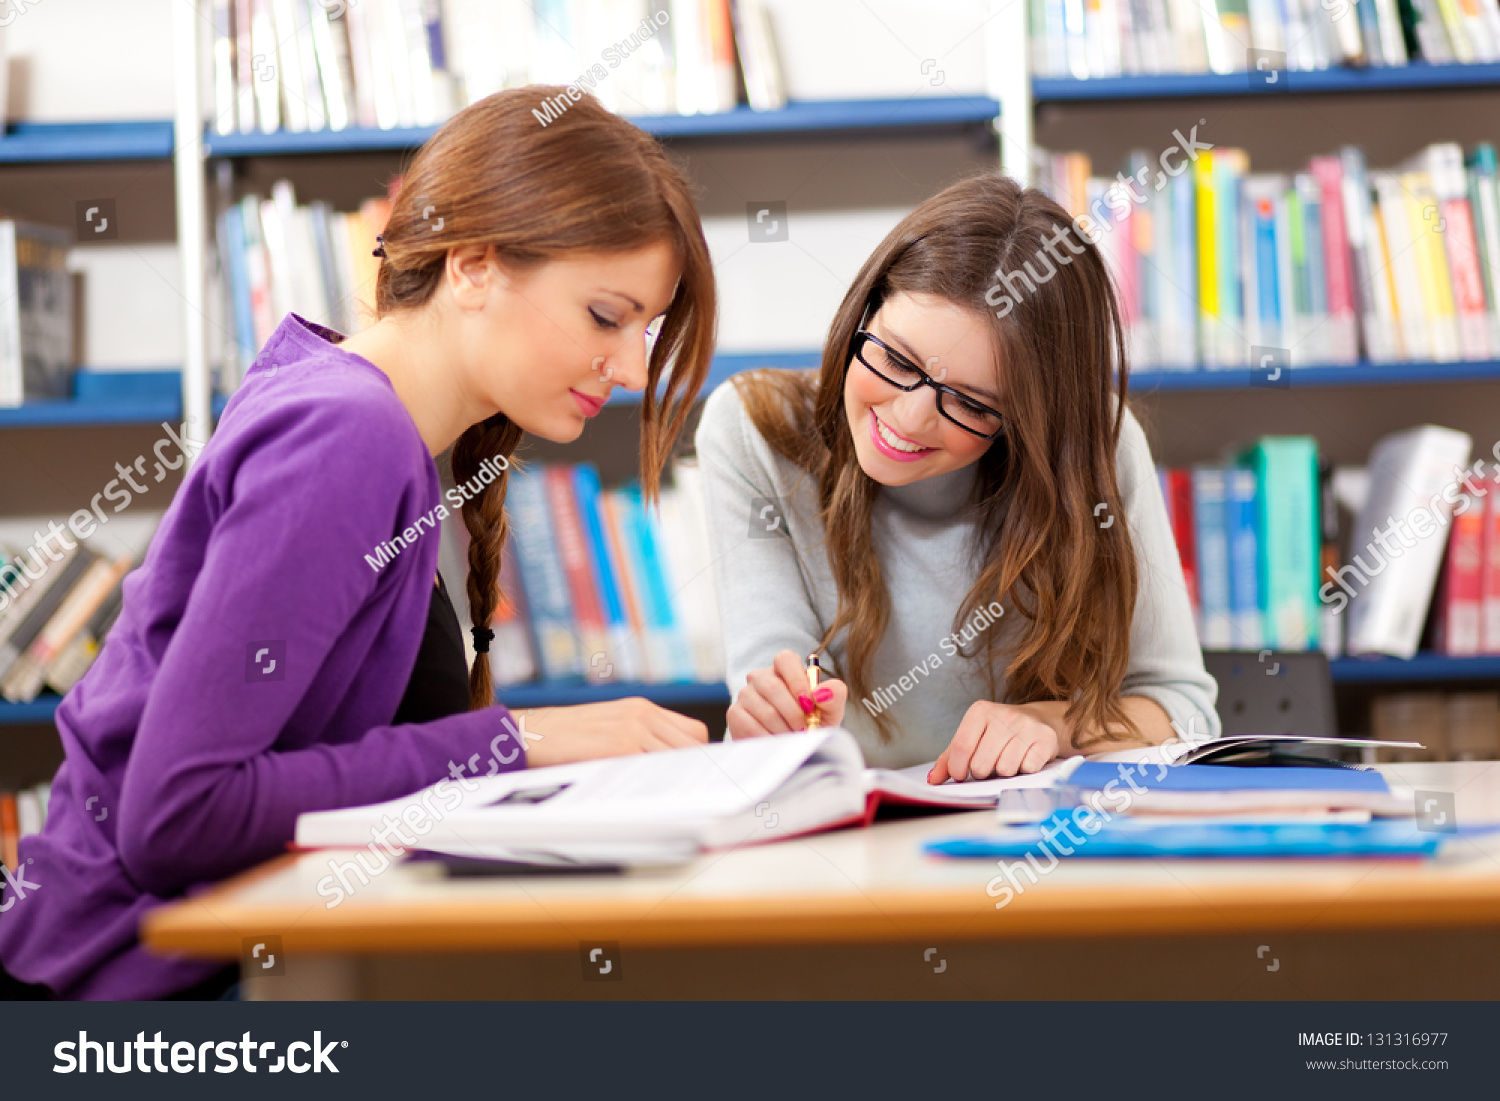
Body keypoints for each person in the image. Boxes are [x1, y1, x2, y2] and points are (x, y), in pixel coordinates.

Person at [0, 88, 716, 1000]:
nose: (630, 369)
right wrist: (520, 739)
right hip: (118, 988)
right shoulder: (350, 434)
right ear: (474, 266)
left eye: (644, 330)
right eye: (605, 316)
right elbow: (176, 814)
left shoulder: (367, 416)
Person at [696, 173, 1218, 780]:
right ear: (864, 308)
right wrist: (784, 717)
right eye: (894, 359)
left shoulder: (1095, 442)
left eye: (971, 404)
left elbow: (1186, 713)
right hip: (854, 836)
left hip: (1030, 843)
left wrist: (1054, 725)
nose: (909, 419)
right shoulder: (752, 432)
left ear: (1029, 420)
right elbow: (776, 696)